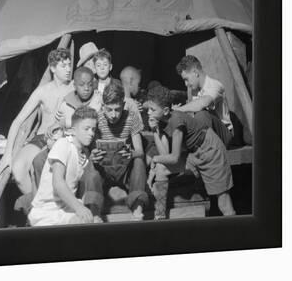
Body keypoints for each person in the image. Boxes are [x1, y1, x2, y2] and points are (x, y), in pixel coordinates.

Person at [146, 85, 235, 216]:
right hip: (194, 154)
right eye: (148, 109)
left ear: (165, 110)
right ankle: (159, 215)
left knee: (224, 204)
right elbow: (165, 155)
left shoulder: (176, 120)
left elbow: (174, 157)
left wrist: (154, 159)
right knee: (161, 168)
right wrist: (155, 130)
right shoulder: (161, 121)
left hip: (210, 151)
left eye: (152, 109)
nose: (148, 113)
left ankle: (237, 232)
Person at [0, 48, 73, 194]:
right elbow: (17, 122)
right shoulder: (42, 91)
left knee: (52, 171)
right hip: (42, 138)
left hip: (65, 138)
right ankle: (35, 206)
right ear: (53, 68)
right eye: (64, 66)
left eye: (69, 64)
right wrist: (7, 155)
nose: (68, 69)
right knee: (18, 169)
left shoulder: (74, 88)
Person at [82, 79, 148, 221]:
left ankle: (137, 210)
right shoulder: (98, 119)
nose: (113, 115)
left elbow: (140, 151)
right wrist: (94, 155)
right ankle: (95, 214)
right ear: (103, 106)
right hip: (105, 171)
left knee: (138, 161)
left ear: (123, 105)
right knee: (91, 165)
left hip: (124, 170)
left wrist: (131, 153)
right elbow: (92, 148)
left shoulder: (131, 117)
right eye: (109, 110)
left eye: (117, 109)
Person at [28, 106, 99, 227]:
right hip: (47, 211)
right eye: (86, 129)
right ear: (72, 130)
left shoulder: (83, 154)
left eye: (93, 129)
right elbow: (58, 183)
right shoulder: (63, 144)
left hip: (66, 209)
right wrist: (80, 208)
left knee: (95, 221)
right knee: (86, 223)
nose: (91, 133)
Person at [174, 55, 234, 147]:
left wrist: (180, 109)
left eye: (186, 79)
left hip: (224, 135)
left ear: (195, 72)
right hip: (207, 133)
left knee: (202, 114)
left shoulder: (214, 85)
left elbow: (203, 103)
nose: (186, 84)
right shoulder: (194, 91)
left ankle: (200, 149)